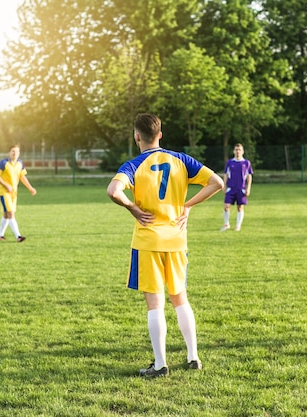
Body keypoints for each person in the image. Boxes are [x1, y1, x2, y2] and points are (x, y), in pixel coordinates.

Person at [107, 113, 223, 377]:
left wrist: (132, 208)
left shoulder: (134, 164)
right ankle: (193, 357)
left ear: (136, 136)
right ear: (160, 134)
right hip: (176, 239)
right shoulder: (181, 159)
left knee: (155, 304)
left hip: (148, 240)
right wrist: (188, 205)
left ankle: (160, 365)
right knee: (180, 299)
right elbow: (217, 182)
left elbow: (113, 191)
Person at [0, 144, 37, 242]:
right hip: (4, 192)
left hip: (14, 193)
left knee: (6, 214)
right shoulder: (4, 163)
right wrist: (6, 185)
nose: (15, 153)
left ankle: (0, 235)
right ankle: (18, 236)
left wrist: (30, 188)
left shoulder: (20, 163)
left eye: (17, 151)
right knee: (10, 213)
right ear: (9, 152)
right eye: (13, 151)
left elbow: (22, 176)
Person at [220, 143, 253, 231]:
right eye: (236, 150)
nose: (238, 151)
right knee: (226, 206)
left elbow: (249, 176)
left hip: (241, 189)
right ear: (234, 151)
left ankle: (238, 226)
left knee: (240, 207)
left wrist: (248, 188)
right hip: (231, 188)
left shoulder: (246, 163)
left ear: (243, 151)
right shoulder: (230, 162)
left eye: (239, 150)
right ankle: (226, 224)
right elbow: (226, 174)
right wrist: (224, 185)